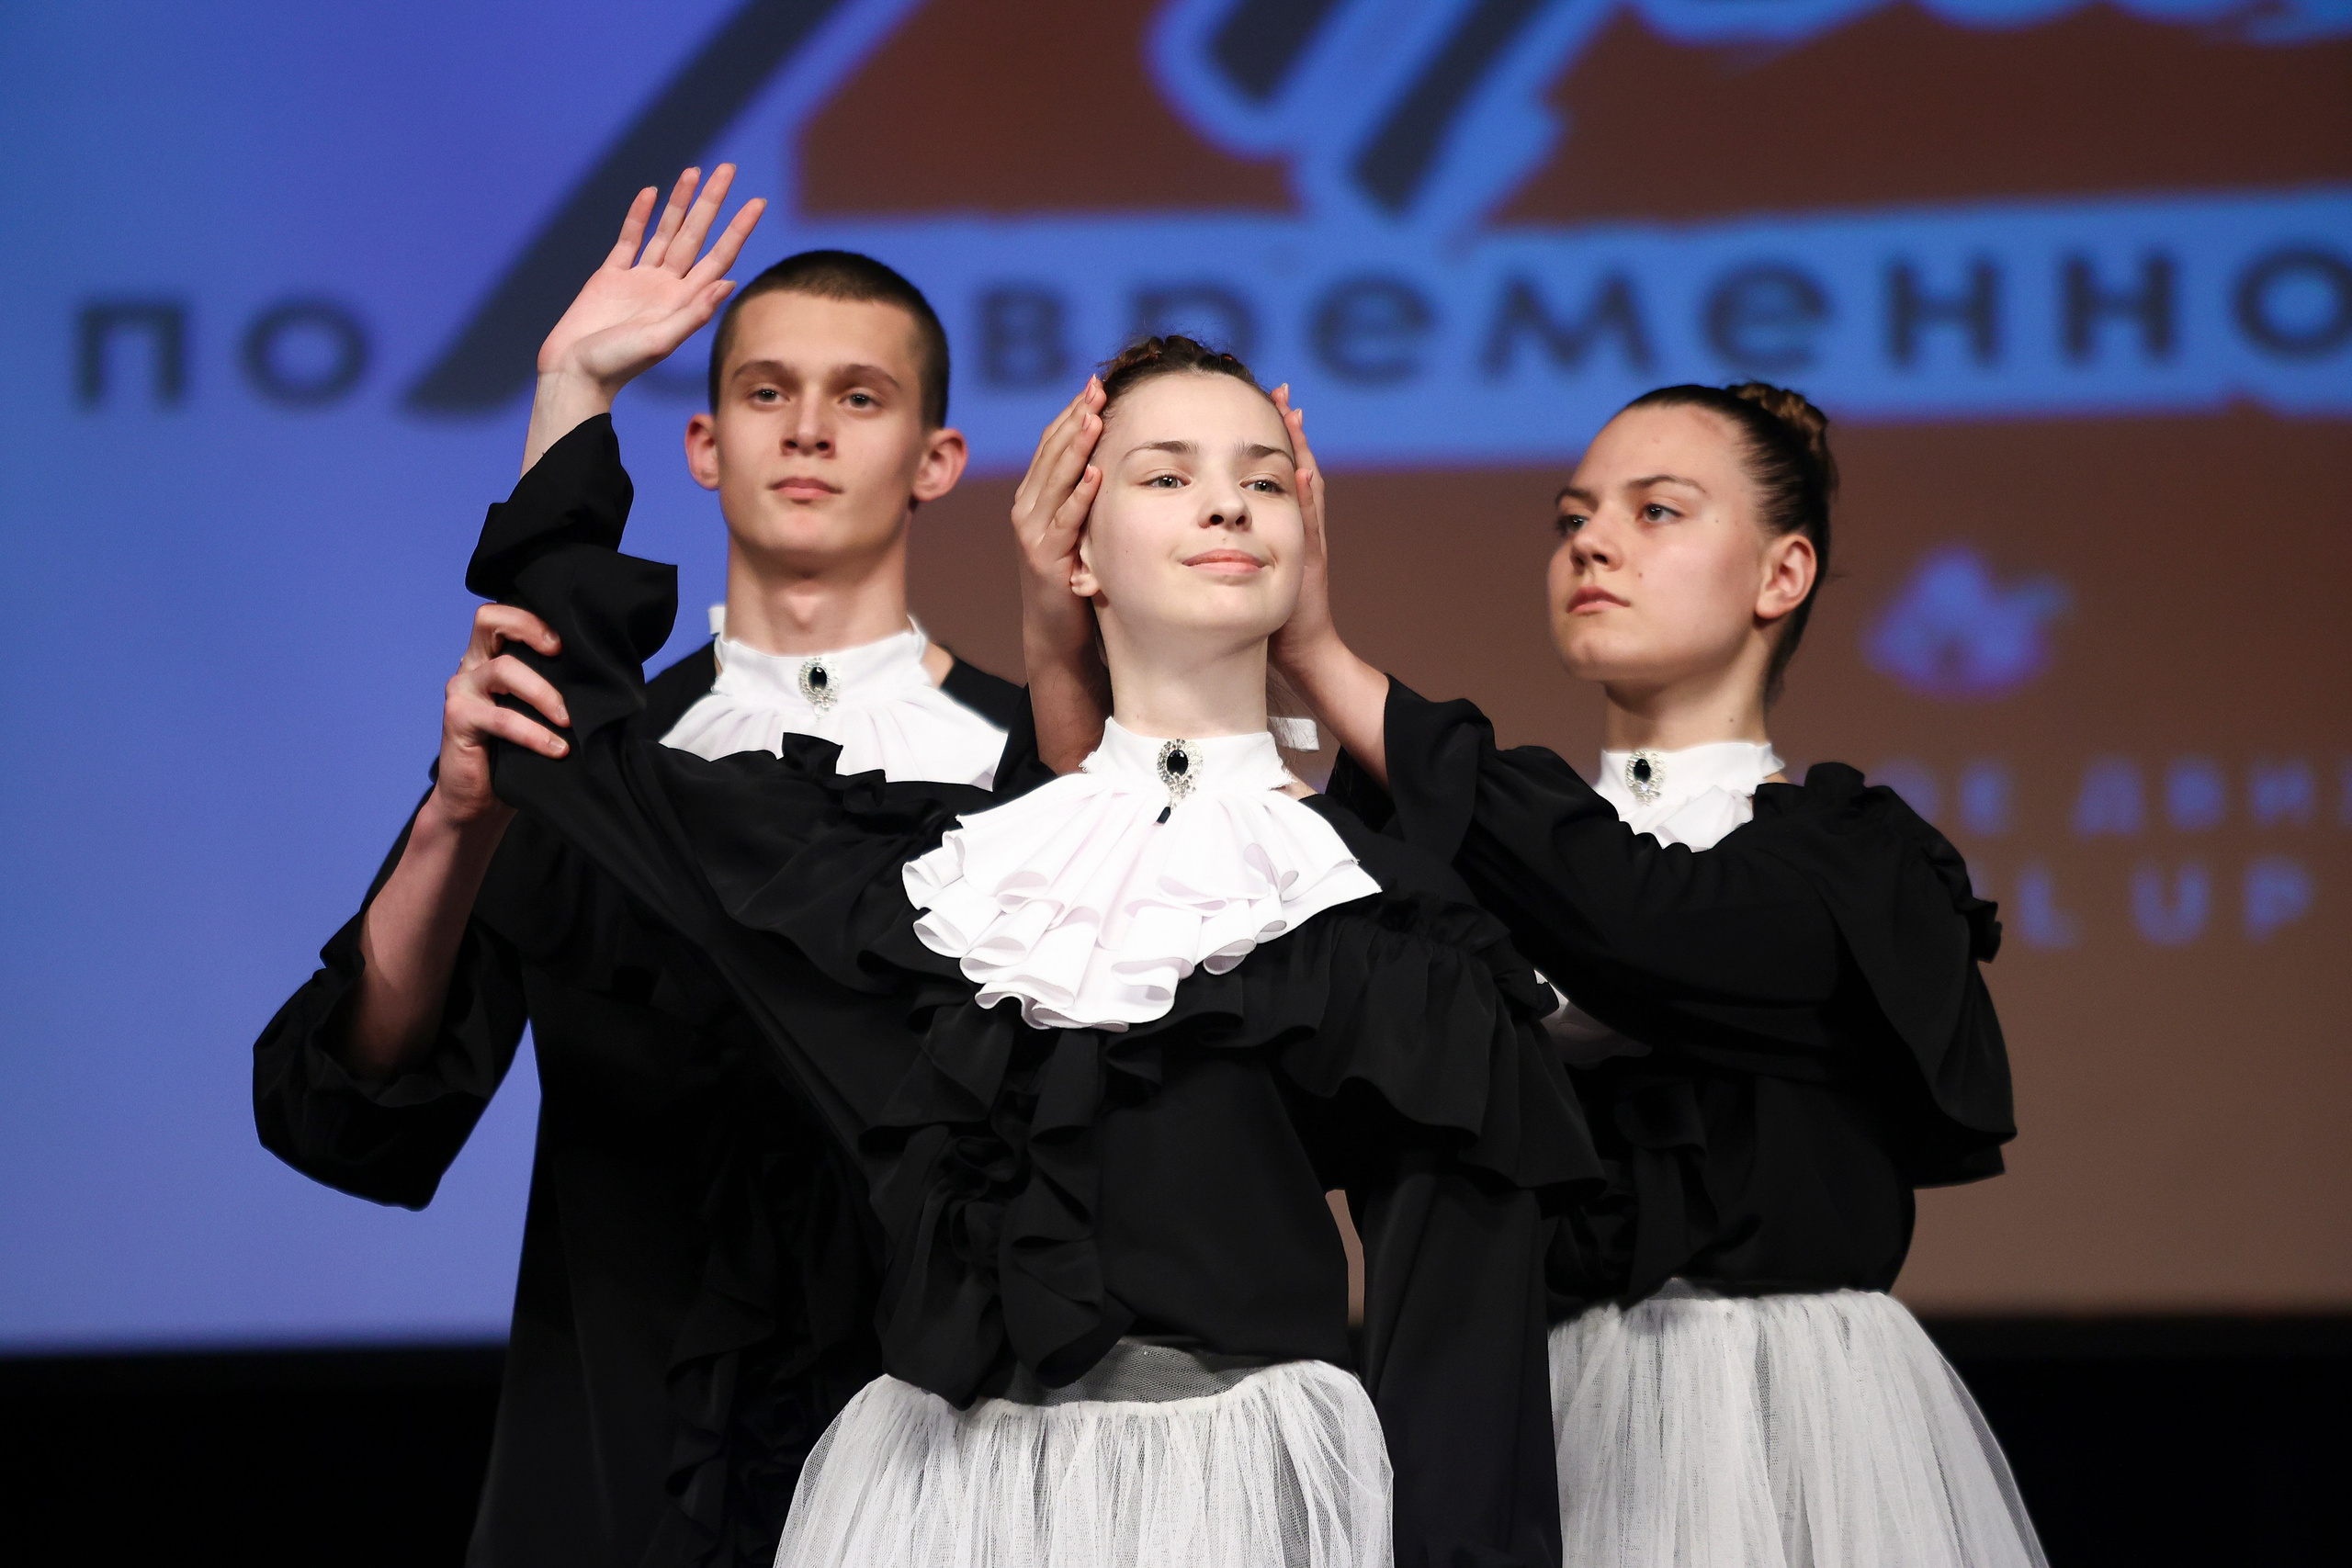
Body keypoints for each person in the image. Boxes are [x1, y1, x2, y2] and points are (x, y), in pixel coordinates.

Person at [472, 334, 1601, 1568]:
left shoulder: (1381, 920)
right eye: (1166, 475)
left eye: (1265, 479)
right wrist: (573, 387)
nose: (1226, 500)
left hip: (1235, 1516)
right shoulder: (940, 892)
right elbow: (573, 743)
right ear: (1076, 545)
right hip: (931, 1512)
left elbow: (1464, 1385)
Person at [1022, 379, 2045, 1566]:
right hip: (1539, 1406)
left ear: (1783, 575)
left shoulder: (1855, 863)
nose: (1593, 542)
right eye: (1572, 518)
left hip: (1789, 1433)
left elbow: (1648, 924)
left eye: (1657, 512)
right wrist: (1063, 642)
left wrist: (1320, 652)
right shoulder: (1471, 841)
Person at [252, 167, 1022, 1567]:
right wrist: (455, 823)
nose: (806, 428)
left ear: (938, 455)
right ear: (703, 447)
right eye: (765, 391)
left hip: (961, 1471)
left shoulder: (1034, 770)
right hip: (621, 1465)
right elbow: (351, 1111)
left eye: (860, 396)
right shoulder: (585, 760)